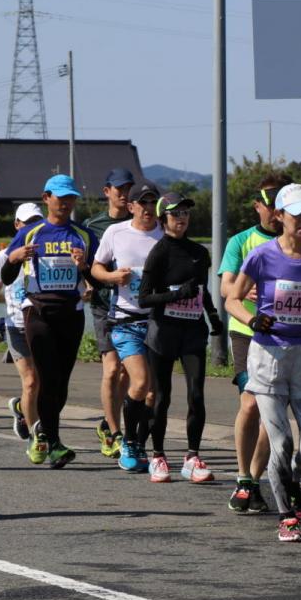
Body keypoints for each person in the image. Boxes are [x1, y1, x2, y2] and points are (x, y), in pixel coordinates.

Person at [225, 183, 301, 542]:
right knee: (282, 443)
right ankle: (286, 515)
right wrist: (251, 320)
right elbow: (231, 299)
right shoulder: (261, 257)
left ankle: (291, 481)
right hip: (269, 355)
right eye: (296, 214)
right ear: (279, 216)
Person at [1, 174, 97, 469]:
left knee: (62, 382)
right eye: (60, 197)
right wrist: (15, 257)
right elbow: (5, 276)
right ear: (47, 198)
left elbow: (97, 279)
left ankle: (42, 433)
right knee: (45, 377)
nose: (66, 203)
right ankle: (51, 442)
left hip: (71, 314)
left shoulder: (83, 235)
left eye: (71, 198)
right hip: (37, 312)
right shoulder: (32, 233)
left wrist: (84, 267)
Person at [137, 192, 224, 483]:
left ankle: (192, 456)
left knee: (197, 395)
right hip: (163, 333)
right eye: (176, 215)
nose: (182, 219)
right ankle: (158, 455)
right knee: (161, 398)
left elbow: (202, 291)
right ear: (164, 220)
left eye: (185, 213)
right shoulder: (159, 252)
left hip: (192, 331)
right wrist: (175, 295)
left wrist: (213, 317)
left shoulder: (200, 252)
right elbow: (144, 298)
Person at [219, 173, 292, 514]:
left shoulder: (299, 243)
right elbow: (225, 289)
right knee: (250, 404)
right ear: (258, 207)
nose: (276, 213)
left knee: (271, 413)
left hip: (284, 337)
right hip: (247, 333)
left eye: (282, 207)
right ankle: (243, 477)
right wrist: (245, 291)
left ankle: (252, 479)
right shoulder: (241, 241)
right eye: (270, 206)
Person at [91, 179, 163, 473]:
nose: (148, 208)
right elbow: (96, 267)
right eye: (142, 203)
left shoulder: (166, 235)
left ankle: (140, 444)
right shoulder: (115, 232)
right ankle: (129, 441)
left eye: (152, 202)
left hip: (158, 322)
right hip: (125, 320)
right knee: (140, 381)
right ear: (131, 206)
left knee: (153, 393)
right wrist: (111, 278)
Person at [0, 203, 43, 441]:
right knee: (30, 381)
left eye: (37, 222)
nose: (32, 228)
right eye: (27, 223)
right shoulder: (5, 254)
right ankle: (38, 436)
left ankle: (21, 409)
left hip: (41, 324)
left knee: (41, 383)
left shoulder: (46, 252)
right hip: (16, 326)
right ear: (17, 225)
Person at [85, 168, 133, 458]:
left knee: (128, 370)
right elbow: (85, 263)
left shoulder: (138, 222)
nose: (123, 194)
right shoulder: (93, 226)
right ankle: (114, 433)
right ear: (107, 192)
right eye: (118, 189)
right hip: (104, 303)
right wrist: (88, 283)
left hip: (133, 306)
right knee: (112, 368)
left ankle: (109, 419)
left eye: (128, 188)